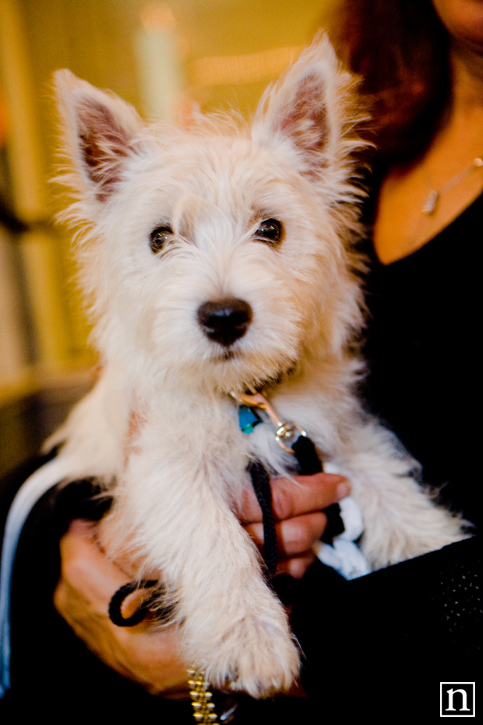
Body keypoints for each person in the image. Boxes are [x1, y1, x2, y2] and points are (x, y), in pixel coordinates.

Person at [1, 0, 481, 719]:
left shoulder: (318, 340)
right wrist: (75, 545)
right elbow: (128, 479)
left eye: (267, 228)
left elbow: (351, 453)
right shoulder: (388, 131)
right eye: (164, 237)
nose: (222, 287)